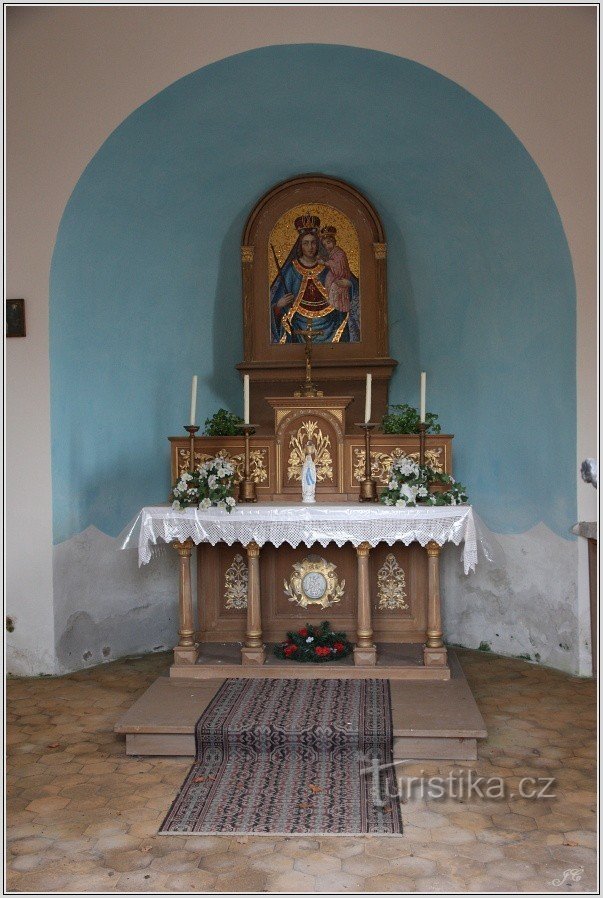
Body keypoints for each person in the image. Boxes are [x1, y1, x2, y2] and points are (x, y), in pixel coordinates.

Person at [270, 214, 350, 344]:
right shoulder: (292, 269)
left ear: (318, 245)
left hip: (330, 324)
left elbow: (346, 291)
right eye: (306, 243)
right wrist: (279, 306)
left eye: (313, 243)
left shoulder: (326, 267)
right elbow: (276, 305)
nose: (310, 247)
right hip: (298, 326)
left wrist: (345, 287)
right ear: (300, 246)